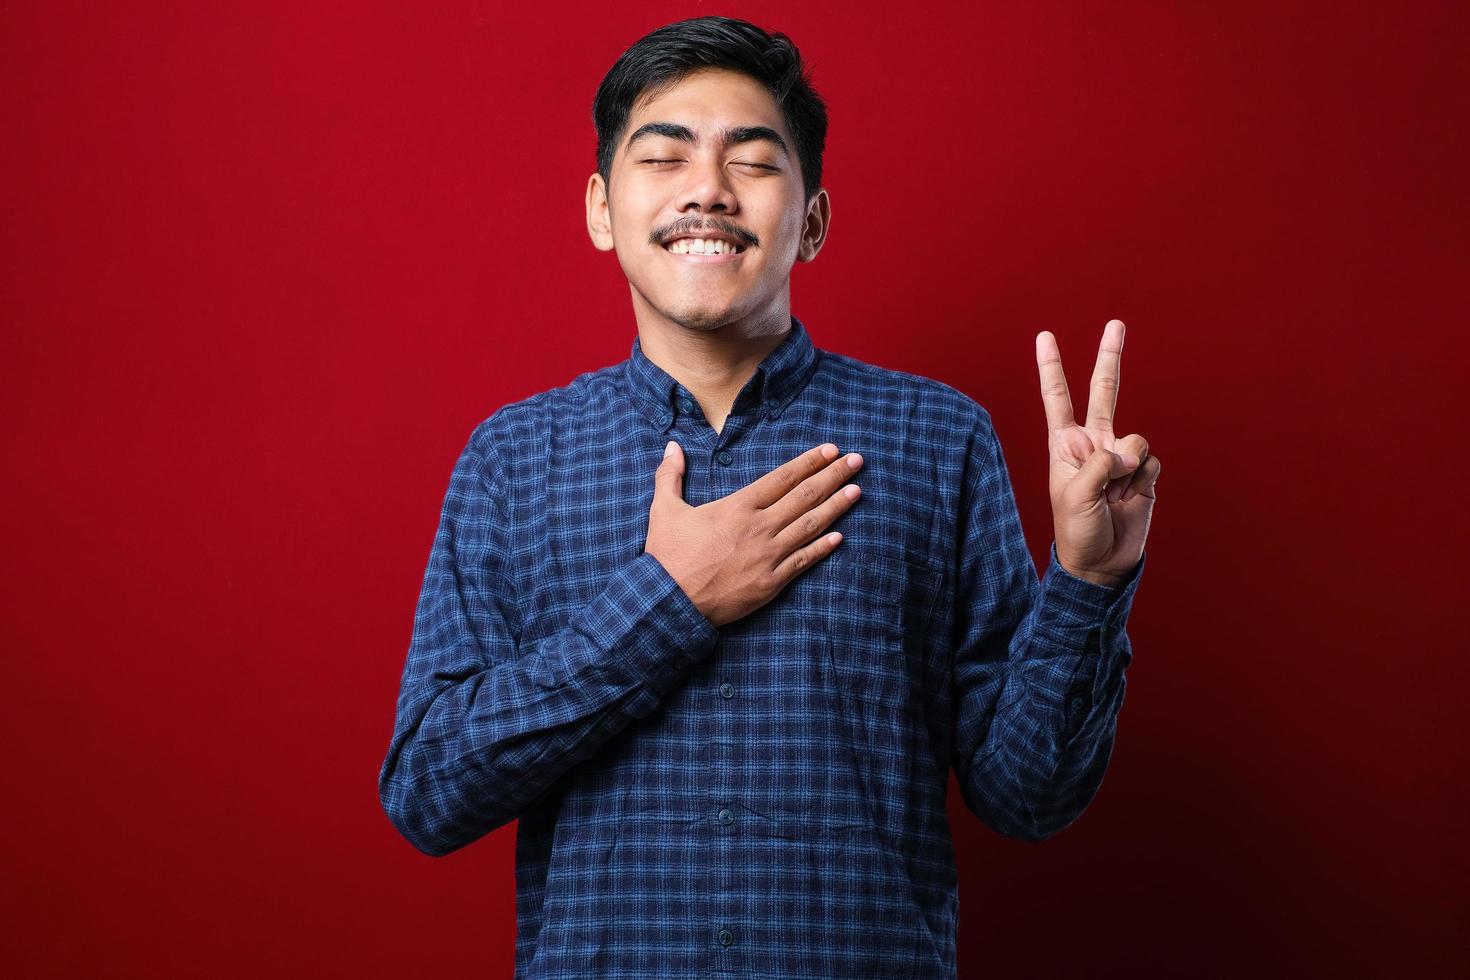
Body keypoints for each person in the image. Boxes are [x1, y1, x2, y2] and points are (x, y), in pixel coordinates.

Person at [378, 14, 1159, 978]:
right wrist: (668, 605)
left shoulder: (937, 439)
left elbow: (1027, 797)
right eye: (663, 158)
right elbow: (427, 792)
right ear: (599, 208)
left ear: (814, 220)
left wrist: (1088, 579)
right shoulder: (512, 458)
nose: (706, 191)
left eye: (752, 161)